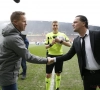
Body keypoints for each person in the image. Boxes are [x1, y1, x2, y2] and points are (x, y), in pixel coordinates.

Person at [0, 11, 53, 90]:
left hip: (6, 73)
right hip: (8, 76)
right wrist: (46, 60)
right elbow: (28, 57)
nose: (26, 23)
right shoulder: (14, 38)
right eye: (24, 21)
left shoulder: (9, 34)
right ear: (15, 22)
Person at [51, 15, 100, 90]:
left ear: (83, 23)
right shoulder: (76, 41)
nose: (72, 24)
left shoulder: (97, 35)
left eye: (75, 22)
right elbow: (68, 55)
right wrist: (53, 59)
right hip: (87, 76)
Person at [44, 21, 71, 90]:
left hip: (59, 56)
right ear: (52, 26)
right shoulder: (48, 35)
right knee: (48, 74)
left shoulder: (62, 35)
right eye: (54, 25)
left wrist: (60, 41)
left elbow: (69, 44)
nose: (55, 26)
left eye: (56, 25)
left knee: (58, 73)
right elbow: (45, 47)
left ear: (58, 26)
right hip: (50, 56)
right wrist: (51, 44)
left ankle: (57, 88)